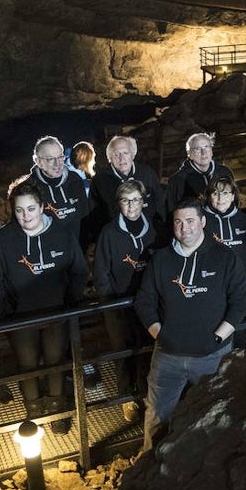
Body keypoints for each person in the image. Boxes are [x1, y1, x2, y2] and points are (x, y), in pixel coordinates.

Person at [134, 198, 246, 451]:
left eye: (190, 221)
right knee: (157, 415)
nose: (184, 228)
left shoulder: (225, 258)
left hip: (212, 355)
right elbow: (144, 302)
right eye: (178, 222)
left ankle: (213, 465)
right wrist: (161, 335)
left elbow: (240, 303)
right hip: (168, 355)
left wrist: (218, 338)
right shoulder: (161, 259)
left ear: (202, 222)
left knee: (216, 413)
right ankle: (152, 468)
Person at [0, 179, 88, 433]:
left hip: (55, 313)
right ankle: (34, 410)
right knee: (27, 365)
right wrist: (8, 311)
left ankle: (57, 409)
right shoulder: (3, 240)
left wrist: (69, 302)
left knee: (55, 360)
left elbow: (78, 271)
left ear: (41, 207)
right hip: (21, 318)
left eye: (30, 209)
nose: (25, 216)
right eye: (19, 210)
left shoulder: (62, 234)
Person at [93, 180, 156, 422]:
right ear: (119, 203)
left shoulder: (153, 228)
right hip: (119, 301)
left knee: (146, 348)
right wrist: (110, 301)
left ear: (143, 201)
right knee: (122, 350)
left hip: (148, 301)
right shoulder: (109, 233)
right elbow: (101, 271)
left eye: (135, 199)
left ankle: (143, 392)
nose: (131, 205)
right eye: (125, 200)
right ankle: (126, 398)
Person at [90, 135, 166, 233]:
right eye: (116, 154)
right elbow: (95, 215)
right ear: (109, 158)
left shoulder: (148, 173)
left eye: (125, 153)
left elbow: (159, 204)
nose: (122, 159)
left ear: (133, 154)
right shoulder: (99, 181)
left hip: (149, 234)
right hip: (117, 237)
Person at [29, 136, 91, 243]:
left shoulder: (75, 181)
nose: (57, 164)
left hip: (77, 253)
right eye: (50, 159)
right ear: (38, 161)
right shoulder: (27, 189)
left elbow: (86, 218)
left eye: (60, 157)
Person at [203, 175, 246, 272]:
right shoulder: (200, 220)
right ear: (209, 197)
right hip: (210, 283)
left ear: (233, 196)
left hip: (241, 282)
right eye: (215, 193)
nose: (220, 198)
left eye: (225, 193)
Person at [166, 132, 233, 214]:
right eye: (197, 149)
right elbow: (172, 212)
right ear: (189, 154)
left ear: (212, 151)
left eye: (207, 147)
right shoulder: (177, 180)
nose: (203, 153)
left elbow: (234, 202)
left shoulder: (225, 172)